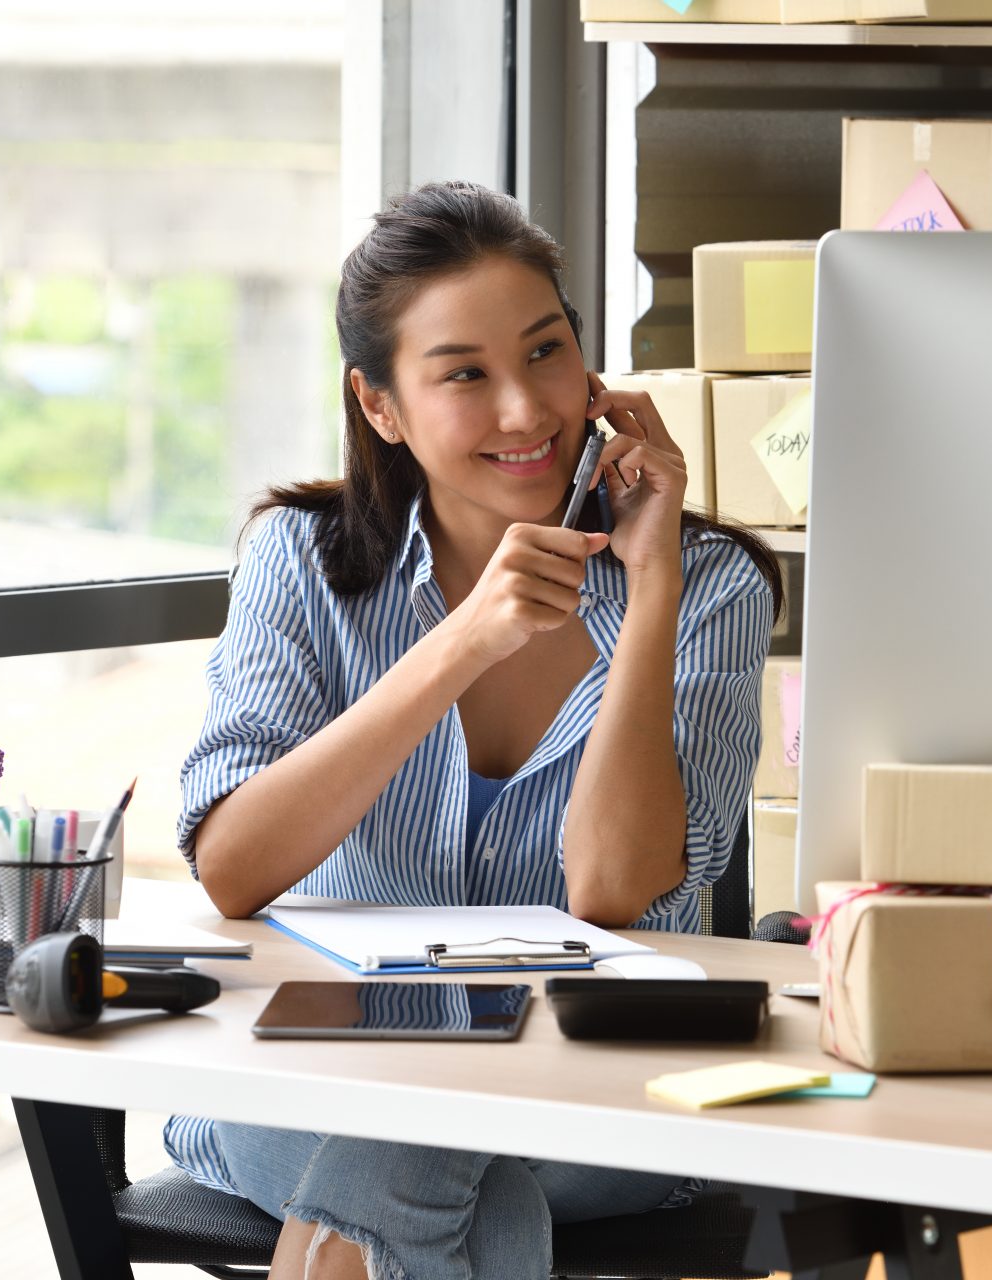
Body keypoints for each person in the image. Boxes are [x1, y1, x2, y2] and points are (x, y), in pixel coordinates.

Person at [162, 180, 784, 1280]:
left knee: (405, 1152)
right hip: (319, 1073)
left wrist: (648, 592)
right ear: (381, 404)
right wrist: (459, 644)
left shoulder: (711, 582)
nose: (525, 409)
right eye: (464, 373)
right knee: (433, 1157)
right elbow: (233, 866)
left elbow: (612, 889)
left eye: (547, 353)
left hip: (597, 1094)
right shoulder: (300, 560)